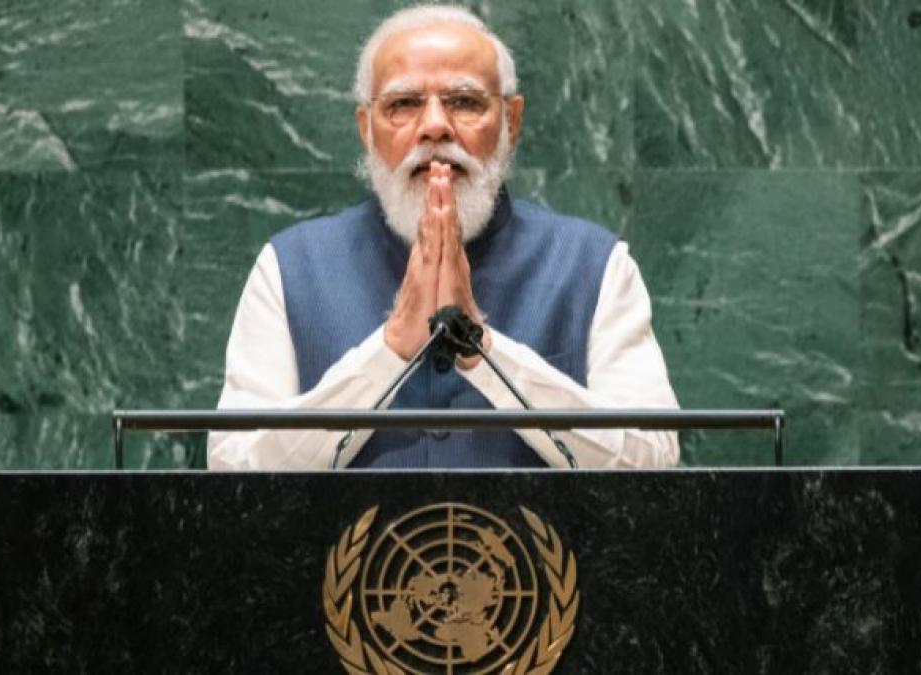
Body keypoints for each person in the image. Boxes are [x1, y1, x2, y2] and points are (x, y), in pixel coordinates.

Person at [207, 5, 679, 470]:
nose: (435, 126)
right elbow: (232, 468)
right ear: (366, 129)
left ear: (510, 123)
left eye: (464, 102)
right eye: (404, 104)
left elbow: (654, 461)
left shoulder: (595, 266)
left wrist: (484, 350)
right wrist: (390, 348)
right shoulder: (289, 267)